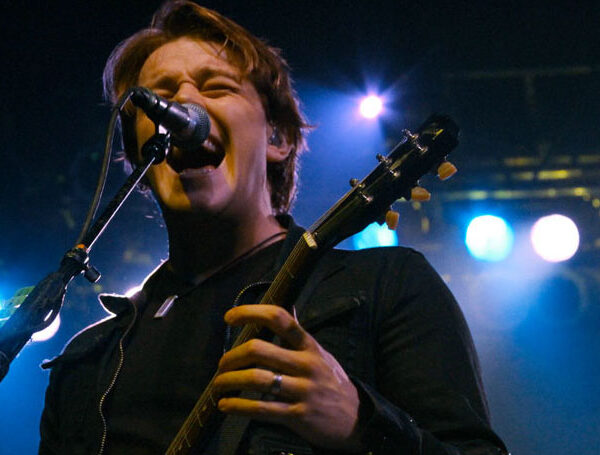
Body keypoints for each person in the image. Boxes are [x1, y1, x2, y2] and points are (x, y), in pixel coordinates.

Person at [39, 1, 508, 454]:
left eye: (215, 86)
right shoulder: (89, 357)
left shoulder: (385, 284)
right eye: (157, 96)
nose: (181, 102)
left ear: (278, 138)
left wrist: (360, 424)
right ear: (139, 154)